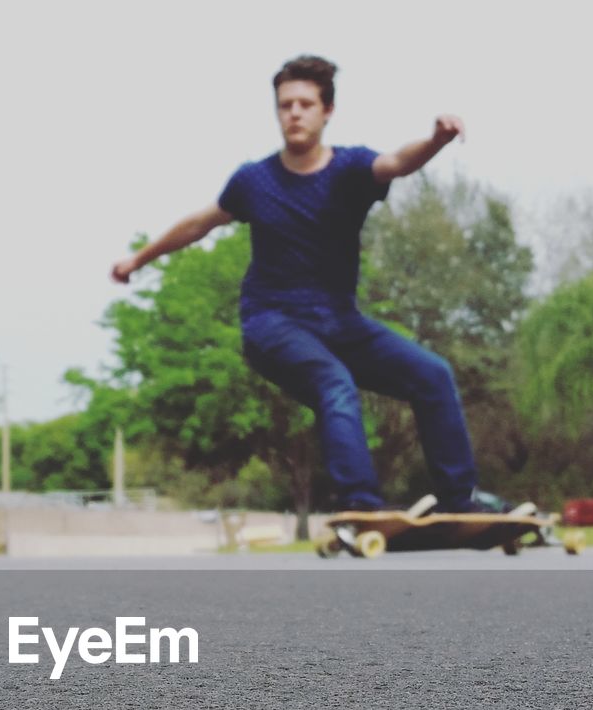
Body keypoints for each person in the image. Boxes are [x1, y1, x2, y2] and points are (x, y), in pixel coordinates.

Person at [111, 54, 479, 514]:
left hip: (341, 324)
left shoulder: (350, 169)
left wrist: (437, 139)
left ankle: (459, 501)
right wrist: (138, 259)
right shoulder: (253, 180)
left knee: (433, 374)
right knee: (335, 384)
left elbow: (397, 163)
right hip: (272, 323)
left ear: (327, 112)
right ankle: (361, 507)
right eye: (285, 105)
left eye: (305, 104)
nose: (295, 113)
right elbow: (199, 222)